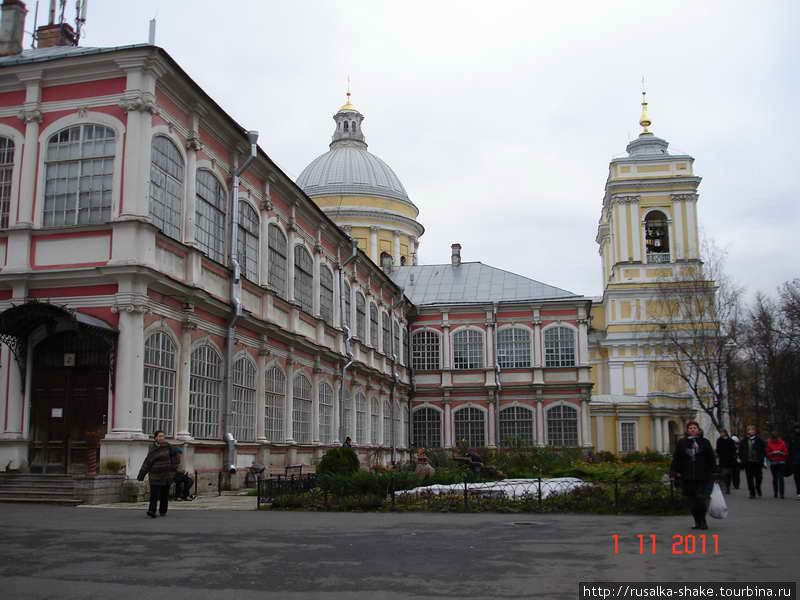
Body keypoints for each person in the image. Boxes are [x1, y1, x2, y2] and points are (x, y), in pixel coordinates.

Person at [670, 420, 717, 530]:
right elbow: (676, 458)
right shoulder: (682, 443)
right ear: (687, 430)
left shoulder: (705, 442)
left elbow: (711, 457)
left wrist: (714, 471)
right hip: (687, 476)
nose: (692, 429)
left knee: (700, 499)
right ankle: (697, 521)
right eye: (690, 428)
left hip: (703, 476)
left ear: (698, 430)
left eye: (694, 428)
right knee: (692, 501)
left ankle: (703, 521)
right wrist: (673, 471)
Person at [137, 430, 180, 518]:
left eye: (163, 436)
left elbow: (176, 455)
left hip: (166, 475)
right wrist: (141, 474)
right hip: (155, 475)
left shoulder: (168, 446)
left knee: (164, 494)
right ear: (155, 437)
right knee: (154, 494)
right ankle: (151, 511)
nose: (162, 438)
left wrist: (173, 469)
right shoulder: (152, 448)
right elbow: (148, 462)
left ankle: (163, 511)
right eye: (160, 436)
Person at [739, 425, 766, 499]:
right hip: (748, 462)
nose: (751, 431)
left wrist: (763, 460)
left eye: (752, 430)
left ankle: (758, 487)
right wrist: (742, 459)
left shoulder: (759, 440)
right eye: (749, 430)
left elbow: (763, 451)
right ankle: (752, 492)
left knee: (759, 477)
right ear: (747, 431)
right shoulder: (744, 441)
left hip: (757, 462)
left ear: (755, 431)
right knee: (749, 478)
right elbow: (741, 451)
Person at [765, 432, 788, 499]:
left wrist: (781, 453)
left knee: (781, 478)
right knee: (775, 478)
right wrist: (772, 453)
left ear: (778, 438)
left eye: (775, 438)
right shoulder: (769, 443)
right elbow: (767, 453)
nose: (774, 440)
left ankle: (781, 494)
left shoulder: (782, 443)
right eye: (773, 439)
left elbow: (786, 453)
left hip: (781, 462)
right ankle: (775, 492)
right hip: (773, 463)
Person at [715, 429, 737, 494]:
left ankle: (728, 487)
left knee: (729, 475)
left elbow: (733, 449)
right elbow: (718, 449)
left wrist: (733, 457)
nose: (721, 434)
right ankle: (724, 487)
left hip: (730, 460)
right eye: (720, 433)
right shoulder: (719, 440)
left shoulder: (730, 440)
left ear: (725, 433)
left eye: (722, 433)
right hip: (722, 460)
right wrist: (718, 455)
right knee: (723, 474)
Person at [787, 424, 800, 500]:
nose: (797, 430)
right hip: (795, 461)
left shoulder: (792, 438)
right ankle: (798, 492)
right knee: (797, 477)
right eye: (796, 429)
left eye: (798, 428)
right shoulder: (792, 438)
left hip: (796, 460)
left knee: (798, 477)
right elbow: (790, 450)